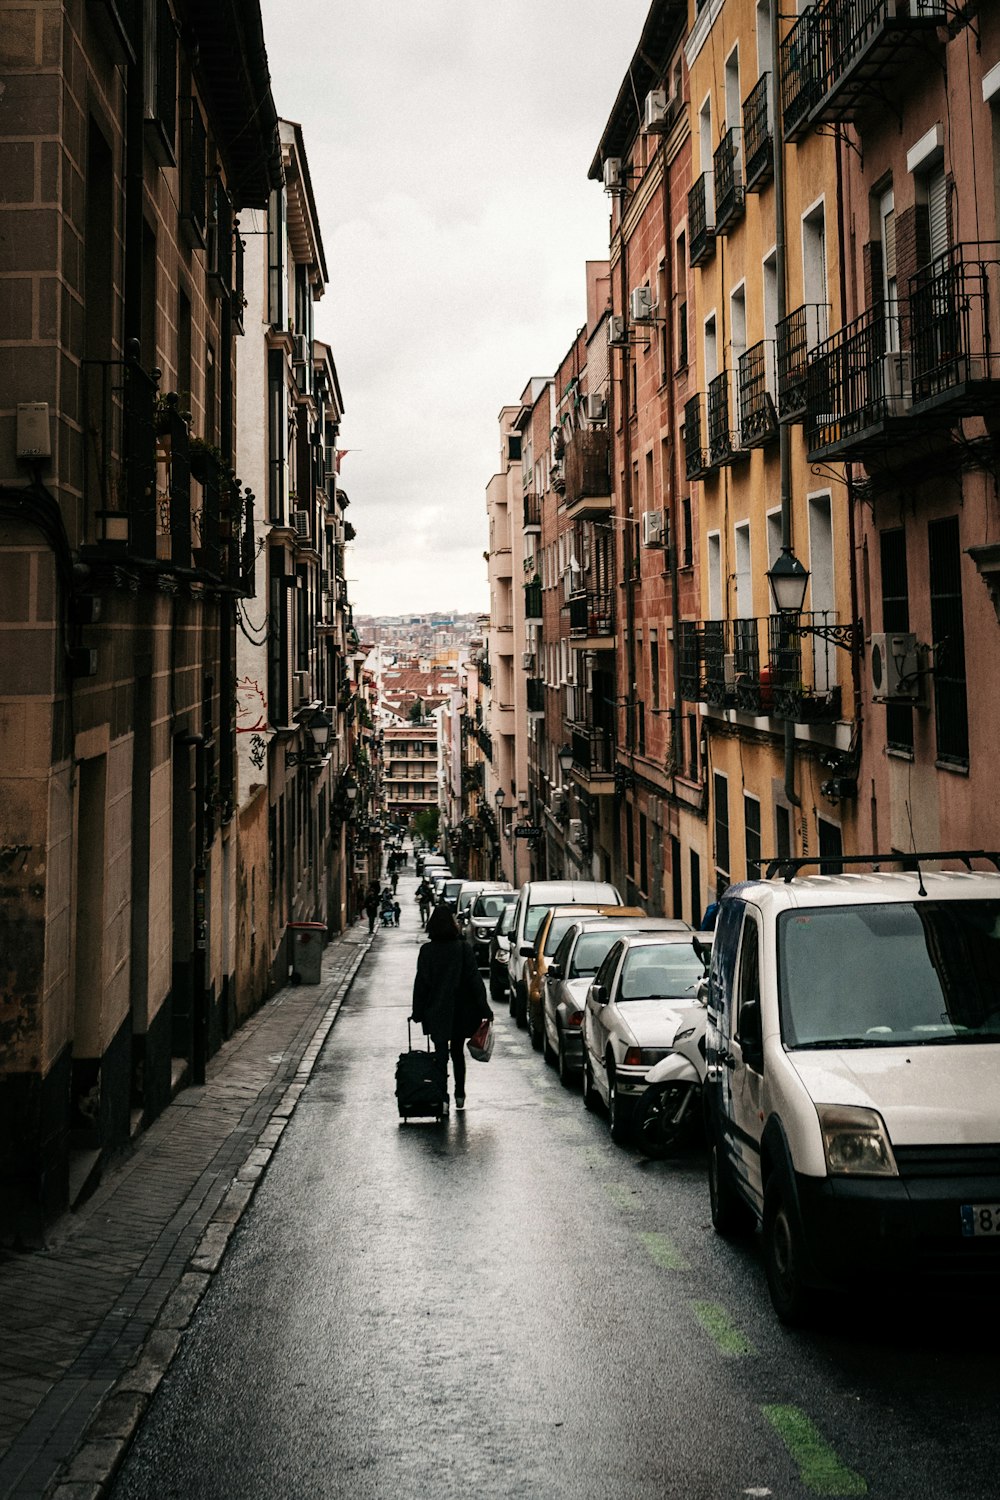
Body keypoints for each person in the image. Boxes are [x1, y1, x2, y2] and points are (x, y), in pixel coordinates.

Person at [411, 906, 493, 1111]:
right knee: (457, 1052)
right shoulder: (463, 949)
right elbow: (475, 980)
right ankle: (460, 1094)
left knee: (440, 1054)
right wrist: (484, 1009)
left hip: (436, 1010)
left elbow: (421, 983)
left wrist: (418, 1011)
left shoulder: (427, 951)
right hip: (459, 1011)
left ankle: (442, 1097)